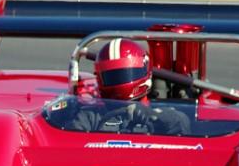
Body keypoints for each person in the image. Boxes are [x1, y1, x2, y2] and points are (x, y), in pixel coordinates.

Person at [46, 39, 192, 135]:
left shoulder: (164, 115)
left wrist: (150, 115)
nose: (119, 81)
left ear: (144, 71)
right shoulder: (92, 116)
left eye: (125, 74)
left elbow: (182, 126)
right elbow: (73, 138)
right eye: (112, 76)